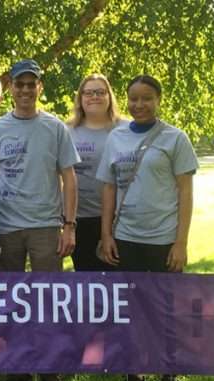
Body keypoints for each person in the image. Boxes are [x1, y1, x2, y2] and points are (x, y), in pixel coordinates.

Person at [0, 59, 80, 381]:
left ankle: (51, 371)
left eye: (31, 83)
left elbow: (69, 177)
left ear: (40, 87)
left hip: (45, 228)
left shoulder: (55, 128)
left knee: (48, 302)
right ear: (10, 87)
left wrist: (69, 226)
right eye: (19, 83)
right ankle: (18, 370)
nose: (25, 89)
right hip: (6, 230)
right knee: (11, 305)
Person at [97, 75, 198, 381]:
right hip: (127, 238)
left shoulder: (175, 138)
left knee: (166, 309)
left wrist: (180, 243)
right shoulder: (116, 137)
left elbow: (185, 192)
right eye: (134, 99)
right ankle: (135, 369)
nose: (139, 105)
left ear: (158, 100)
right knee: (132, 309)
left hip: (164, 239)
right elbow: (109, 189)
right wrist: (106, 235)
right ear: (126, 100)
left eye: (146, 98)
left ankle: (168, 370)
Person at [66, 74, 124, 271]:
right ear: (80, 98)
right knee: (88, 283)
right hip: (80, 219)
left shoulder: (125, 129)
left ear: (109, 96)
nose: (94, 97)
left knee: (120, 282)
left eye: (100, 92)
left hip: (119, 219)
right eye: (88, 93)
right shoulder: (67, 131)